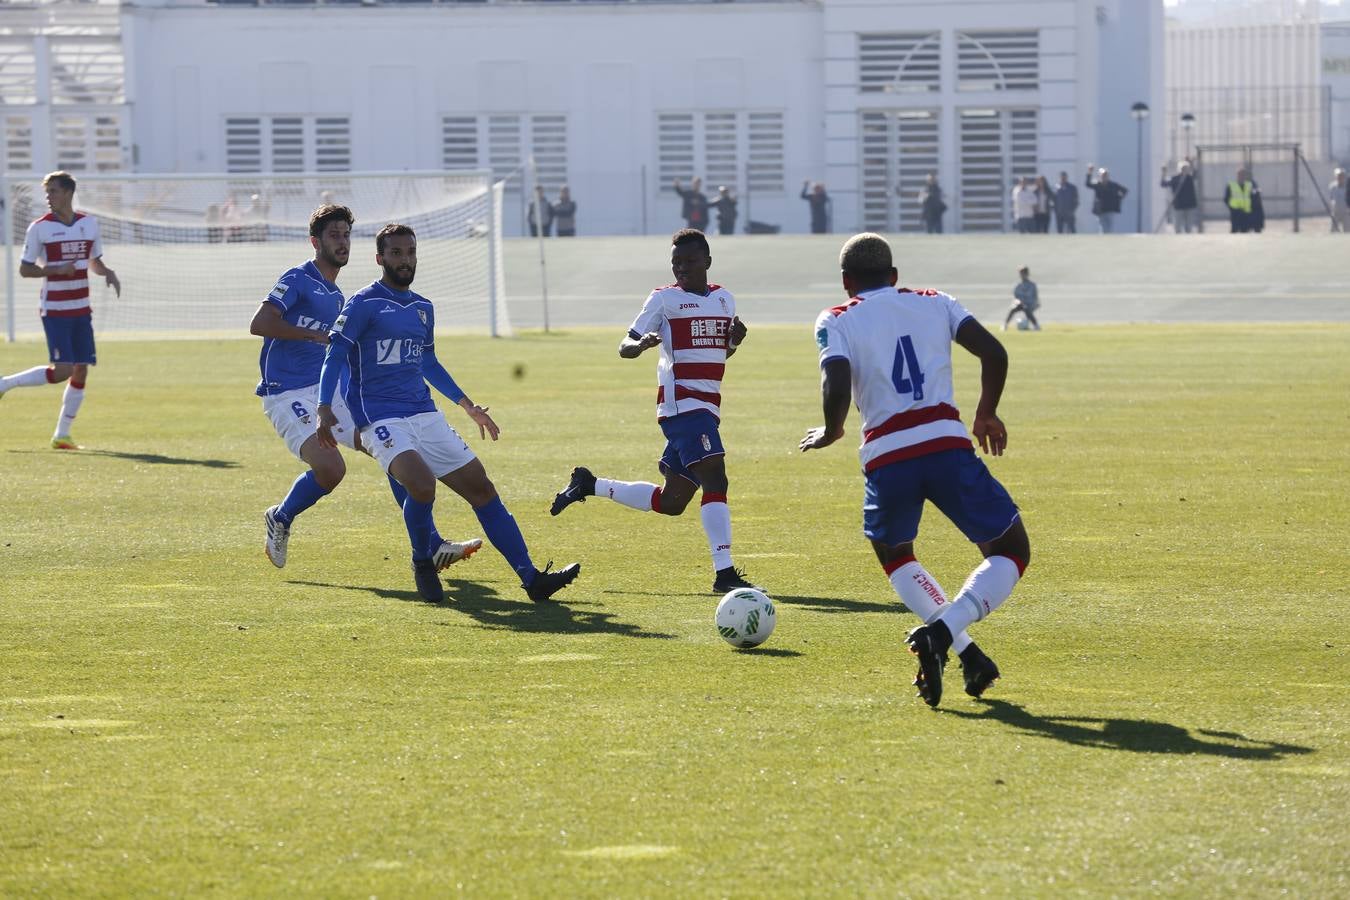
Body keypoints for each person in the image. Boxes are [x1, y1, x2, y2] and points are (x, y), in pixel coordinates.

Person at [799, 233, 1029, 708]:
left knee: (896, 553)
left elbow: (835, 377)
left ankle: (953, 644)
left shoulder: (836, 318)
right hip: (946, 445)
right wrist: (986, 413)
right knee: (1010, 549)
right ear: (895, 276)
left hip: (887, 456)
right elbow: (994, 352)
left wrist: (832, 428)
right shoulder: (936, 301)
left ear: (847, 282)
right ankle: (953, 640)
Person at [315, 223, 580, 604]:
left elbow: (429, 362)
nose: (405, 260)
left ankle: (531, 578)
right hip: (380, 418)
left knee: (482, 488)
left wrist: (468, 406)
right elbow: (334, 355)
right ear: (380, 259)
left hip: (424, 413)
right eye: (396, 253)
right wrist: (324, 407)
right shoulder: (363, 304)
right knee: (422, 486)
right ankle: (423, 560)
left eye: (410, 252)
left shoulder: (423, 308)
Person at [250, 204, 480, 573]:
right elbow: (260, 323)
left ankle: (432, 546)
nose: (342, 242)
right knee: (331, 470)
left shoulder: (340, 297)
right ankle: (281, 516)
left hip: (328, 392)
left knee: (390, 451)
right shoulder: (297, 279)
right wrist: (312, 335)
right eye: (333, 236)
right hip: (287, 391)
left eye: (346, 235)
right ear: (315, 241)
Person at [548, 229, 759, 595]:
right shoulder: (663, 299)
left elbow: (718, 353)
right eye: (676, 262)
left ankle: (589, 483)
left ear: (707, 261)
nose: (682, 268)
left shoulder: (725, 300)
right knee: (716, 479)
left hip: (707, 406)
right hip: (682, 406)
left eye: (689, 261)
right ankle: (724, 574)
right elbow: (623, 345)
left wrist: (735, 340)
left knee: (673, 501)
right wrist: (640, 345)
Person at [0, 171, 121, 449]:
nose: (48, 197)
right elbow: (25, 269)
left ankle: (61, 435)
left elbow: (94, 261)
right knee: (63, 370)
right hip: (55, 309)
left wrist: (108, 272)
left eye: (53, 191)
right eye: (47, 192)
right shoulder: (39, 228)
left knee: (81, 370)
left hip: (81, 308)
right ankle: (5, 384)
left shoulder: (88, 224)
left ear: (68, 192)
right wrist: (55, 269)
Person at [1085, 166, 1128, 234]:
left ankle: (1109, 241)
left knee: (1109, 227)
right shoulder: (1097, 185)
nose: (1104, 177)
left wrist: (1118, 199)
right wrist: (1090, 172)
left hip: (1110, 209)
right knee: (1102, 227)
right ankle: (1103, 240)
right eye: (1102, 175)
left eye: (1105, 175)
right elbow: (1088, 184)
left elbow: (1125, 190)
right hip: (1101, 210)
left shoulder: (1113, 185)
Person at [1162, 161, 1200, 234]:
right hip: (1178, 206)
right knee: (1177, 227)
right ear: (1180, 169)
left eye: (1187, 168)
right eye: (1183, 168)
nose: (1185, 170)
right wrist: (1163, 173)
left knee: (1189, 227)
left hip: (1189, 205)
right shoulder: (1175, 178)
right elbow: (1163, 184)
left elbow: (1196, 174)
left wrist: (1192, 164)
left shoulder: (1190, 178)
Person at [1003, 266, 1041, 331]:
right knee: (1012, 309)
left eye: (1023, 273)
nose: (1021, 275)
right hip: (1020, 304)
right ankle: (1005, 325)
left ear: (1027, 274)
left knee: (1026, 309)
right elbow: (1015, 297)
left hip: (1029, 305)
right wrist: (1018, 302)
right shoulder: (1018, 285)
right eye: (1020, 273)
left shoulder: (1032, 285)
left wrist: (1036, 304)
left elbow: (1035, 297)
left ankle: (1036, 325)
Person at [1223, 167, 1258, 234]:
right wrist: (1232, 208)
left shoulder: (1250, 185)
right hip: (1235, 213)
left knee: (1245, 232)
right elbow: (1226, 199)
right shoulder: (1231, 185)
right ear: (1237, 175)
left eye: (1243, 175)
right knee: (1234, 231)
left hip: (1246, 213)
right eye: (1240, 174)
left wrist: (1252, 207)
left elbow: (1254, 197)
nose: (1241, 176)